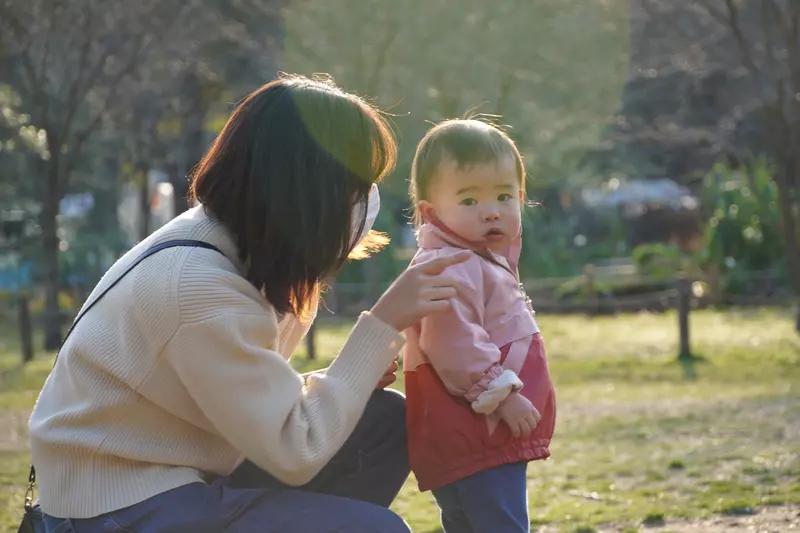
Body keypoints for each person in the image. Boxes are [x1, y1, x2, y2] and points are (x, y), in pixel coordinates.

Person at [28, 75, 469, 533]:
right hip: (115, 506)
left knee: (380, 423)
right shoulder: (199, 285)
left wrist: (346, 380)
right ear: (307, 188)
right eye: (354, 183)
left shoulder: (234, 245)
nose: (365, 200)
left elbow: (231, 391)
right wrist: (383, 323)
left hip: (175, 476)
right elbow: (294, 449)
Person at [402, 119, 557, 532]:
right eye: (469, 201)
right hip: (478, 429)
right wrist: (501, 394)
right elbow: (454, 344)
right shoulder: (450, 266)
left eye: (505, 196)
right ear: (430, 213)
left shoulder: (481, 261)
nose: (491, 210)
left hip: (478, 435)